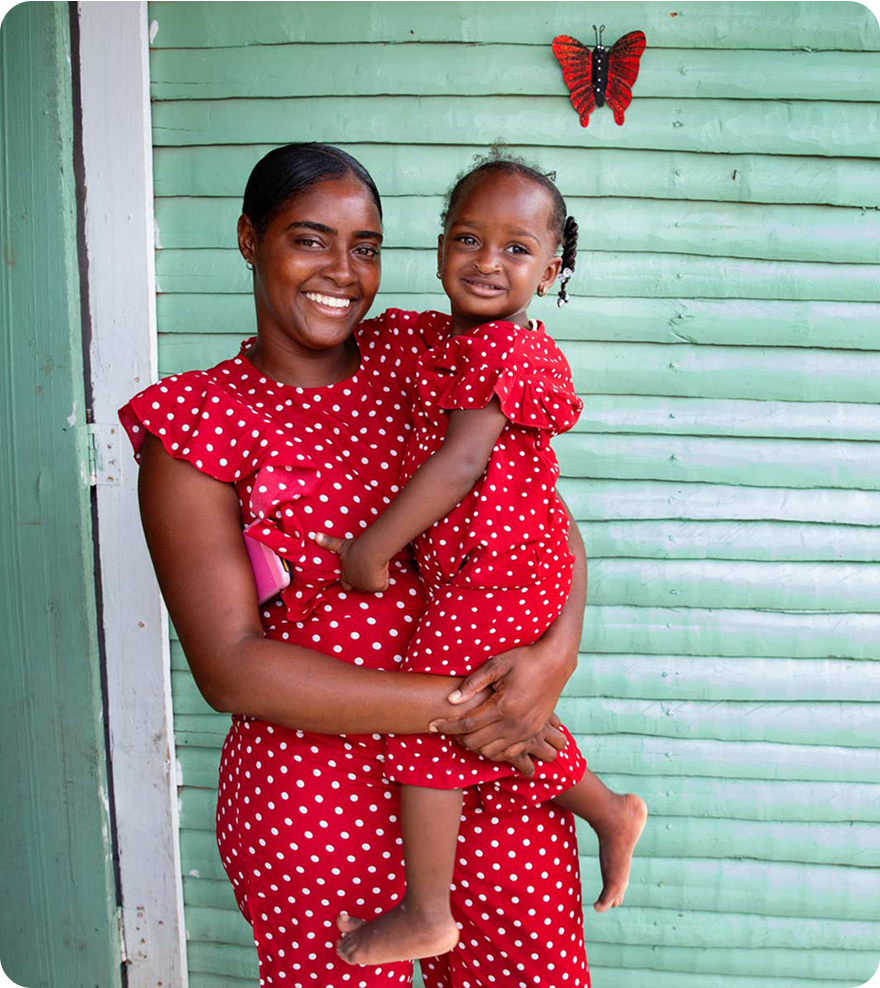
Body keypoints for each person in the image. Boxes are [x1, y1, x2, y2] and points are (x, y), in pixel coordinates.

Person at [119, 144, 593, 988]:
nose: (342, 271)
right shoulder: (197, 423)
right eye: (309, 239)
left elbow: (538, 516)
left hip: (481, 776)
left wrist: (554, 659)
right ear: (248, 238)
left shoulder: (425, 355)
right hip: (315, 793)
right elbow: (230, 668)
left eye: (365, 246)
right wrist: (471, 705)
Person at [317, 151, 647, 968]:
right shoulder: (435, 340)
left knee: (445, 706)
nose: (488, 262)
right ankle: (605, 808)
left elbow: (462, 465)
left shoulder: (510, 353)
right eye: (468, 238)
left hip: (505, 570)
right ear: (437, 247)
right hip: (493, 569)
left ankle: (427, 911)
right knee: (491, 707)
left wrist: (370, 553)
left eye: (516, 248)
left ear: (553, 264)